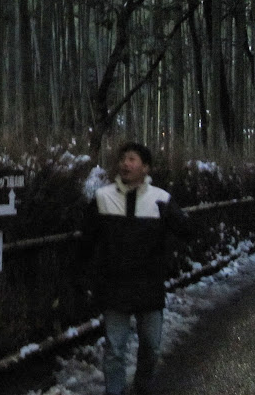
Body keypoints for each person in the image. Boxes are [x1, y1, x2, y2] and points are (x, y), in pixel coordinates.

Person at [80, 142, 191, 395]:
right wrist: (85, 276)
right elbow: (87, 240)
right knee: (114, 349)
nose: (125, 164)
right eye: (123, 159)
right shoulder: (102, 198)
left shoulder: (160, 199)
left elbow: (185, 230)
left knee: (151, 347)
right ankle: (114, 391)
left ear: (145, 167)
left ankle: (142, 387)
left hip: (149, 286)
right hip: (114, 286)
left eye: (132, 159)